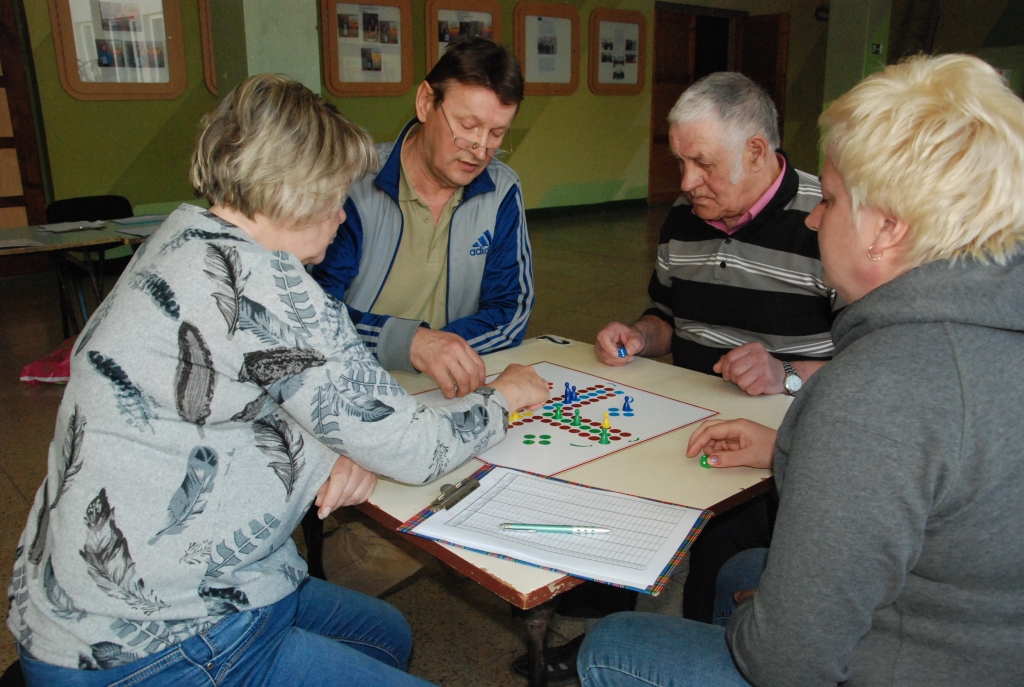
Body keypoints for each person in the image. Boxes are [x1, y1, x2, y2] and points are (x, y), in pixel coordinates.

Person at [6, 74, 548, 687]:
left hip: (70, 608)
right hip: (161, 639)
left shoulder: (183, 235)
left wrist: (331, 443)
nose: (343, 216)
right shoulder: (271, 288)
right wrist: (502, 397)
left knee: (386, 634)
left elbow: (233, 392)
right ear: (293, 192)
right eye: (335, 197)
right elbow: (416, 446)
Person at [577, 53, 1024, 686]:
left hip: (906, 662)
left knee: (614, 645)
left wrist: (766, 627)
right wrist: (793, 445)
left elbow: (787, 663)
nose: (816, 217)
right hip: (974, 637)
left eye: (834, 201)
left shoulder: (879, 388)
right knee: (740, 574)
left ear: (888, 230)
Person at [596, 72, 839, 625]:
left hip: (774, 439)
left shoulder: (827, 220)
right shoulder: (684, 220)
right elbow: (666, 317)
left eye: (702, 163)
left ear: (756, 151)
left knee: (724, 543)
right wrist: (638, 335)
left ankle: (697, 643)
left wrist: (787, 374)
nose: (686, 181)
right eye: (679, 161)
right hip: (687, 416)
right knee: (608, 482)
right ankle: (605, 620)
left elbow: (868, 365)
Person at [312, 37, 533, 402]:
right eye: (467, 126)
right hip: (348, 386)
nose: (480, 150)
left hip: (443, 390)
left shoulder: (502, 190)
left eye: (496, 134)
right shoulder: (352, 185)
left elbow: (511, 309)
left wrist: (444, 351)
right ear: (426, 102)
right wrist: (411, 343)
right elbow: (312, 314)